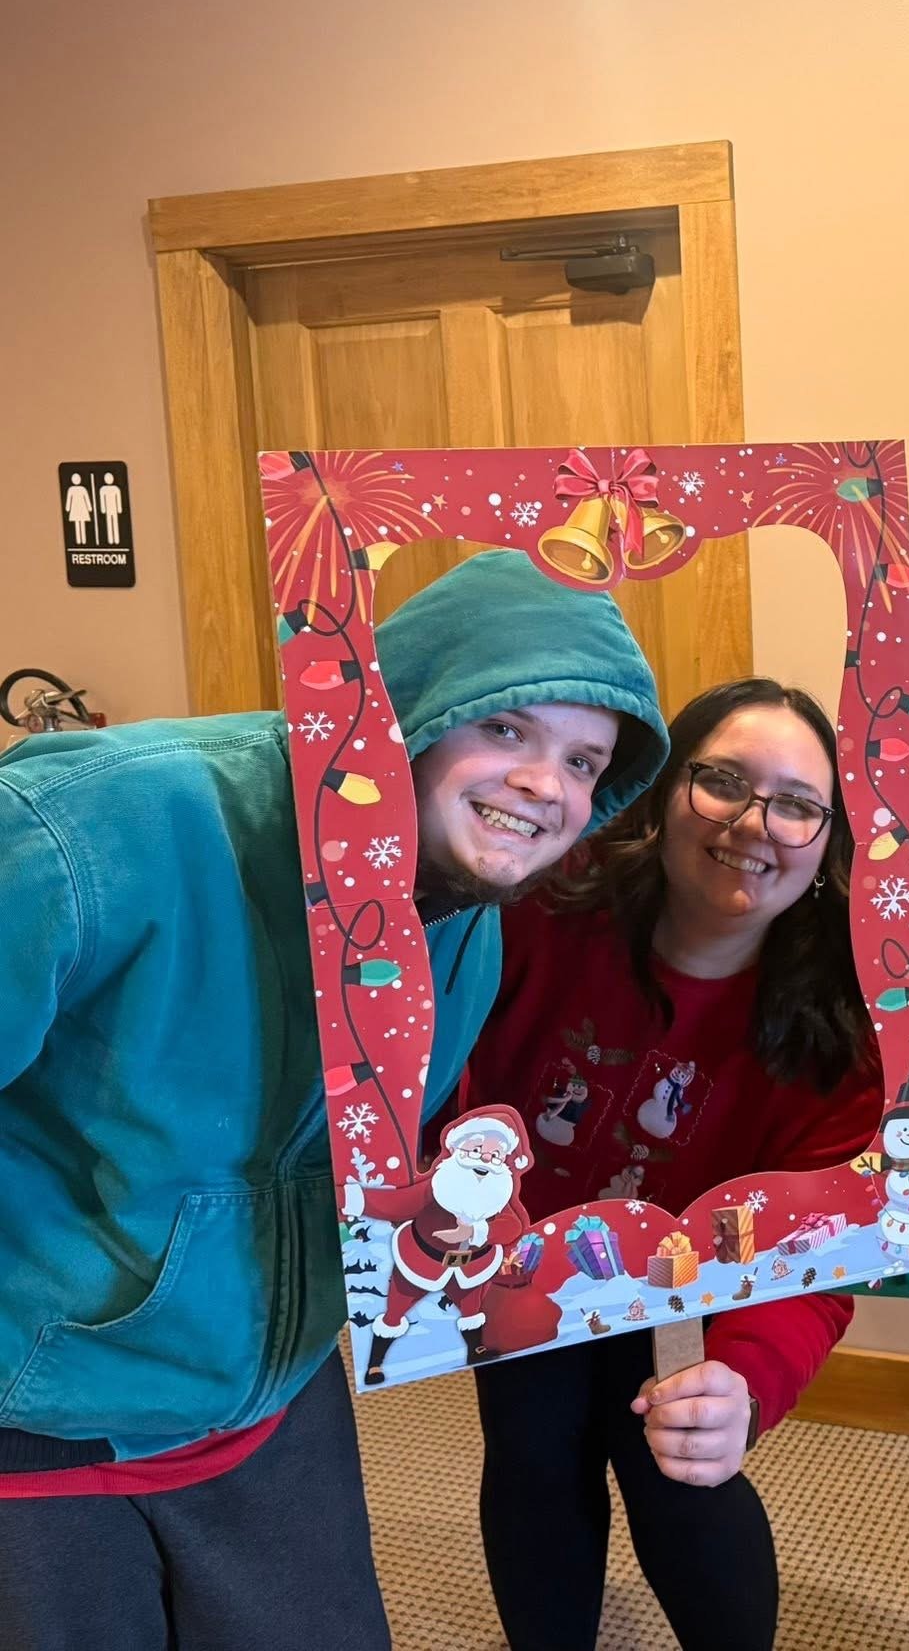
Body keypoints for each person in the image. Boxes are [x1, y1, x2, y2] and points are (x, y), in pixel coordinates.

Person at [0, 548, 668, 1650]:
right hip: (45, 1411)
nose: (548, 785)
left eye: (585, 761)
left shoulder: (467, 914)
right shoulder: (91, 826)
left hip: (273, 1396)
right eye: (506, 728)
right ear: (401, 709)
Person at [461, 677, 882, 1651]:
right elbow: (431, 1081)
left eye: (796, 804)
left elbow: (820, 1258)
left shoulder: (846, 1034)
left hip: (696, 1286)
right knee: (531, 1451)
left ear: (825, 841)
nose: (753, 822)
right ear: (661, 793)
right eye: (722, 781)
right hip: (525, 1264)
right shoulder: (535, 909)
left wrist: (744, 1379)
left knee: (681, 1470)